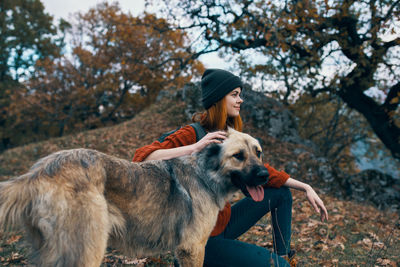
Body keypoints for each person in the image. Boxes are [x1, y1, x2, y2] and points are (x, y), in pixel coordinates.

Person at [133, 69, 329, 267]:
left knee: (281, 193)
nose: (240, 100)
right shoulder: (194, 133)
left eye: (240, 94)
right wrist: (195, 147)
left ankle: (285, 255)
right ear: (218, 99)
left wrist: (306, 187)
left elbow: (262, 170)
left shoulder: (229, 135)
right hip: (200, 241)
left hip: (224, 224)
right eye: (234, 94)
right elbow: (142, 158)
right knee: (278, 266)